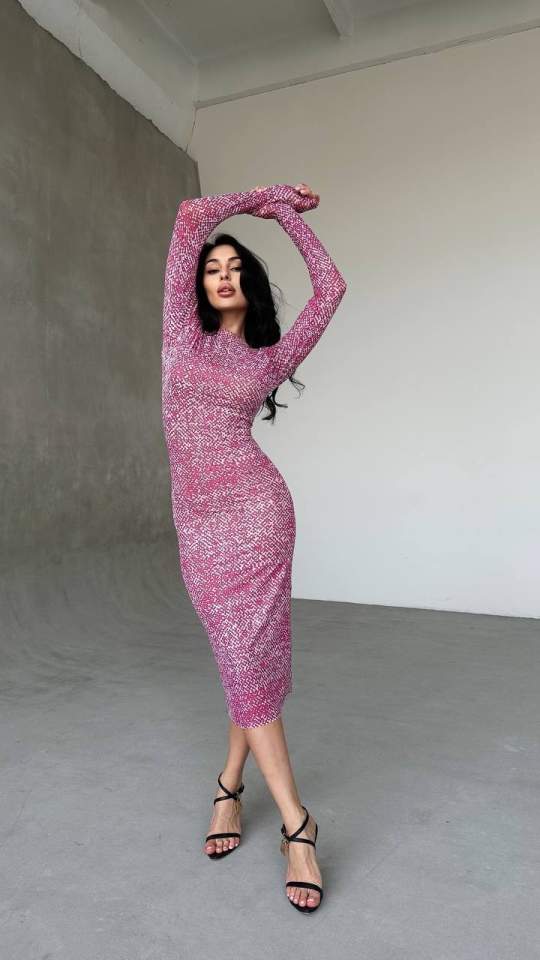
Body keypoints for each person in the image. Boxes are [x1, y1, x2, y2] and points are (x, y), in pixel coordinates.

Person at [161, 181, 347, 912]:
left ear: (251, 285)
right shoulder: (182, 333)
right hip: (198, 525)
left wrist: (288, 222)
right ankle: (229, 784)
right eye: (213, 268)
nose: (223, 275)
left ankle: (298, 827)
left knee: (246, 665)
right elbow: (190, 217)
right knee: (242, 663)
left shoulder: (268, 357)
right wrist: (262, 196)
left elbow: (331, 289)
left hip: (258, 516)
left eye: (236, 267)